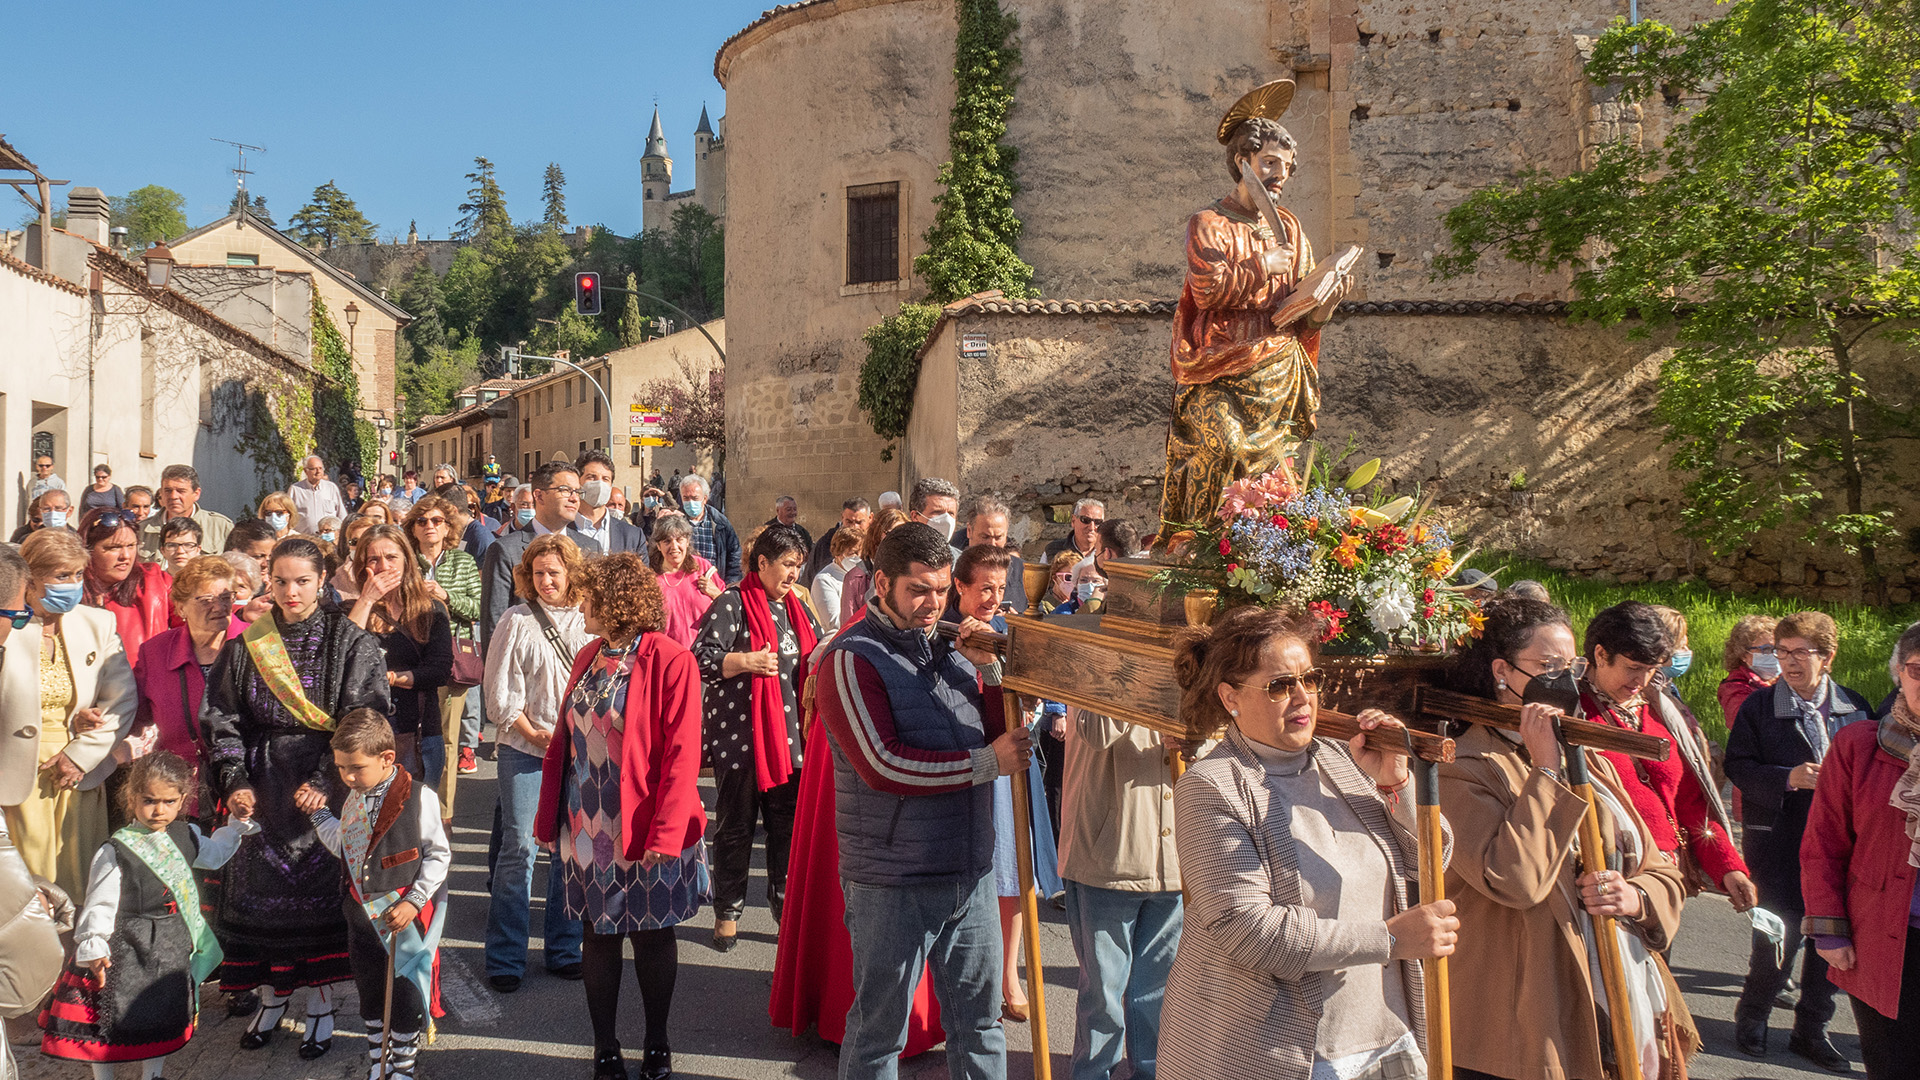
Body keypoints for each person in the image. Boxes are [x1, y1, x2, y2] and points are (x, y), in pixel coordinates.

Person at [1160, 605, 1455, 1080]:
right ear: (1231, 697)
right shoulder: (1211, 786)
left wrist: (1395, 786)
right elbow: (1249, 932)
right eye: (1280, 686)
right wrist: (1389, 939)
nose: (1302, 698)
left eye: (1310, 680)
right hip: (1278, 1052)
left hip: (1386, 1034)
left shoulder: (1342, 758)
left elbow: (1431, 862)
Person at [1438, 596, 1692, 1080]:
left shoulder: (1585, 755)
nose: (1564, 681)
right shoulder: (1463, 767)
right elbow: (1516, 880)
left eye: (1570, 666)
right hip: (1517, 1028)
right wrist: (1546, 770)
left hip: (1609, 995)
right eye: (1547, 666)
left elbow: (1659, 866)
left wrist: (1634, 896)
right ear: (1502, 671)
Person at [814, 523, 1033, 1080]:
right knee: (879, 1033)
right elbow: (883, 765)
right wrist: (987, 763)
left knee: (980, 1024)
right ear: (881, 583)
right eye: (918, 590)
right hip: (894, 878)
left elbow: (997, 733)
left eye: (940, 590)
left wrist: (990, 673)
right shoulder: (850, 659)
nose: (932, 604)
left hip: (969, 868)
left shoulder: (955, 646)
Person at [201, 536, 389, 1055]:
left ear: (323, 580)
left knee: (320, 907)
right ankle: (271, 999)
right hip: (263, 787)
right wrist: (235, 780)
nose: (291, 592)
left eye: (303, 581)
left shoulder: (351, 642)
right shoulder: (247, 644)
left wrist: (328, 778)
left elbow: (366, 716)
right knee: (261, 907)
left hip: (327, 786)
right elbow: (221, 718)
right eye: (281, 581)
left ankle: (322, 1007)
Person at [534, 552, 709, 1080]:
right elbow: (563, 743)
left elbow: (683, 755)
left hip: (648, 820)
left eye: (587, 595)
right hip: (589, 822)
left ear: (615, 602)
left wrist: (667, 832)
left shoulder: (671, 659)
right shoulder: (588, 654)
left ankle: (657, 1042)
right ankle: (604, 1047)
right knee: (598, 935)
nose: (578, 604)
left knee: (653, 935)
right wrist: (548, 819)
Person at [37, 752, 257, 1078]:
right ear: (132, 798)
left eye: (169, 802)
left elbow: (215, 855)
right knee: (107, 1019)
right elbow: (100, 903)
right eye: (150, 800)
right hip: (124, 947)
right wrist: (94, 944)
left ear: (183, 800)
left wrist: (235, 826)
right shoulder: (115, 849)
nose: (159, 810)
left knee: (160, 1014)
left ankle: (153, 1074)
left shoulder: (187, 835)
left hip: (170, 943)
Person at [1725, 610, 1872, 1068]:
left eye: (1799, 652)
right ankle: (1753, 1015)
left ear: (1827, 657)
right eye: (1780, 651)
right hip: (1780, 841)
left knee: (1832, 937)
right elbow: (1738, 766)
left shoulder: (1854, 707)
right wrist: (1788, 778)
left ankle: (1812, 1030)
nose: (1787, 661)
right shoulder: (1759, 707)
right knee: (1777, 936)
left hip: (1840, 845)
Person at [941, 545, 1061, 1023]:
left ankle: (1009, 974)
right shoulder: (942, 633)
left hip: (1012, 763)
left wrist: (1029, 699)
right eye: (983, 588)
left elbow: (1031, 695)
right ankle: (970, 979)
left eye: (999, 587)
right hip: (970, 767)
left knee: (1012, 876)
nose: (992, 597)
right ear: (960, 586)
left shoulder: (1012, 631)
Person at [1578, 603, 1755, 916]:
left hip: (1663, 882)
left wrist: (1727, 866)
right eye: (1633, 667)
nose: (1642, 680)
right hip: (1600, 885)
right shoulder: (1571, 712)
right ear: (1601, 654)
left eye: (1651, 669)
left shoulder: (1661, 710)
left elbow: (1689, 803)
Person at [1801, 623, 1920, 1080]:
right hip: (1885, 938)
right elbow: (1823, 844)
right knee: (1893, 1065)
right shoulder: (1858, 745)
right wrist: (1829, 931)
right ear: (1898, 673)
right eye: (1917, 670)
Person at [693, 525, 820, 951]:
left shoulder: (798, 608)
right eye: (787, 564)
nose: (794, 574)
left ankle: (785, 915)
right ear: (762, 563)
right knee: (736, 828)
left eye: (798, 566)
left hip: (791, 740)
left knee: (787, 832)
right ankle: (727, 913)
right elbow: (701, 658)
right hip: (742, 737)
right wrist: (744, 660)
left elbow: (817, 654)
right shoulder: (732, 602)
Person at [306, 710, 451, 1080]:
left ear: (387, 758)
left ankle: (403, 1068)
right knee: (371, 997)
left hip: (402, 920)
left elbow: (438, 855)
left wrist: (414, 900)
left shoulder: (419, 797)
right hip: (361, 920)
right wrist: (320, 816)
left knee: (404, 998)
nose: (347, 777)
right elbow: (347, 846)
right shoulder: (353, 799)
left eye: (356, 768)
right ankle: (379, 1063)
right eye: (341, 768)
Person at [0, 528, 138, 899]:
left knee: (79, 882)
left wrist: (81, 754)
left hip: (77, 776)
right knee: (26, 891)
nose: (73, 585)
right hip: (15, 777)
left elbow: (122, 699)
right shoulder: (7, 624)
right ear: (30, 579)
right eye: (62, 575)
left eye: (78, 574)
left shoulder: (97, 623)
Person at [482, 534, 589, 993]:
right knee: (520, 848)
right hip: (524, 749)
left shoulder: (588, 620)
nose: (546, 581)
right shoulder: (516, 620)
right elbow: (498, 691)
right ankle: (506, 957)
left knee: (568, 849)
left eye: (554, 573)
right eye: (538, 573)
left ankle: (564, 949)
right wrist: (532, 733)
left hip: (578, 750)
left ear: (571, 575)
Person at [134, 556, 244, 819]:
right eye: (206, 600)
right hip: (178, 795)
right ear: (181, 607)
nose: (219, 607)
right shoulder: (156, 652)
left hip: (246, 789)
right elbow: (133, 715)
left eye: (226, 597)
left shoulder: (256, 644)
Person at [347, 525, 452, 779]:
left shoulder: (430, 610)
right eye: (374, 559)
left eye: (392, 557)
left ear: (407, 560)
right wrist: (367, 600)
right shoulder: (351, 610)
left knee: (416, 803)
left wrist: (390, 678)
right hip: (367, 734)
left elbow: (438, 671)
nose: (384, 566)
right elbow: (344, 657)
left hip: (419, 730)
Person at [481, 462, 604, 655]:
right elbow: (494, 624)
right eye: (565, 490)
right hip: (527, 662)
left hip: (581, 662)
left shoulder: (590, 548)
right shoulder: (505, 550)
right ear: (538, 496)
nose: (574, 498)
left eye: (577, 492)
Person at [406, 496, 481, 790]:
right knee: (411, 737)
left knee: (448, 739)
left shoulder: (463, 561)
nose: (430, 526)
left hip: (451, 657)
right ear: (413, 528)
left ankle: (443, 810)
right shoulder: (406, 561)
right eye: (422, 521)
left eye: (437, 521)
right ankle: (412, 805)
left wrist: (446, 596)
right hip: (412, 656)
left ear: (448, 527)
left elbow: (477, 608)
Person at [79, 507, 174, 669]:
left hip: (145, 683)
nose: (126, 556)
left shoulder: (156, 582)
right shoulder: (68, 591)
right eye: (113, 547)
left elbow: (199, 630)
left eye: (131, 545)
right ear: (87, 549)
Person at [649, 514, 722, 649]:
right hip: (669, 653)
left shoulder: (703, 568)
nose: (674, 546)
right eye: (667, 541)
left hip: (705, 652)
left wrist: (716, 594)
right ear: (658, 546)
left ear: (687, 542)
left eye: (679, 540)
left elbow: (728, 607)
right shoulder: (651, 579)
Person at [137, 465, 232, 562]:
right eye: (168, 491)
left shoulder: (221, 527)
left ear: (196, 494)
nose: (173, 496)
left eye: (181, 491)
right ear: (161, 493)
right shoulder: (141, 530)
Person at [954, 496, 1028, 613]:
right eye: (985, 537)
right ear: (969, 531)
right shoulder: (951, 568)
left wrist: (1016, 620)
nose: (992, 544)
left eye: (998, 537)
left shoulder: (1024, 571)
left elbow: (1039, 615)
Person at [838, 507, 908, 630]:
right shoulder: (856, 578)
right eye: (891, 533)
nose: (898, 539)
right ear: (877, 535)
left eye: (903, 534)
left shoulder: (913, 572)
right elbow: (848, 625)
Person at [574, 450, 647, 554]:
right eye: (591, 477)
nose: (599, 484)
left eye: (605, 479)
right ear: (578, 482)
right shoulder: (559, 529)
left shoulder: (632, 536)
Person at [677, 473, 741, 585]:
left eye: (695, 498)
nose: (690, 502)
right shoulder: (675, 523)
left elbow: (734, 556)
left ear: (705, 498)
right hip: (683, 586)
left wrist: (728, 587)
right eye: (686, 498)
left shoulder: (720, 523)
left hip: (714, 586)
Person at [1719, 614, 1780, 730]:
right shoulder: (1735, 689)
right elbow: (1745, 727)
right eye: (1766, 649)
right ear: (1743, 654)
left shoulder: (1781, 680)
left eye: (1778, 649)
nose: (1774, 655)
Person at [805, 497, 872, 587]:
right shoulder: (826, 544)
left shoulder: (875, 541)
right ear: (842, 518)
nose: (854, 527)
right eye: (849, 522)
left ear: (870, 518)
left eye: (859, 522)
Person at [810, 526, 864, 637]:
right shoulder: (824, 580)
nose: (858, 558)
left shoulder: (864, 574)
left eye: (861, 553)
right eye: (853, 553)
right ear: (838, 554)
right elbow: (834, 622)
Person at [290, 456, 350, 535]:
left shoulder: (331, 488)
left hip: (328, 538)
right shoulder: (295, 489)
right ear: (305, 471)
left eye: (320, 468)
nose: (318, 471)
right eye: (314, 469)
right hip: (305, 538)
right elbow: (288, 515)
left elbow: (341, 514)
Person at [1044, 497, 1105, 564]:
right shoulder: (1053, 550)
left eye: (1098, 522)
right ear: (1073, 521)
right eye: (1085, 520)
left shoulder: (1108, 553)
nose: (1091, 527)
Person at [905, 477, 961, 546]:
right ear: (915, 516)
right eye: (938, 512)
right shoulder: (897, 551)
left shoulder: (961, 553)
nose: (947, 520)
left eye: (951, 513)